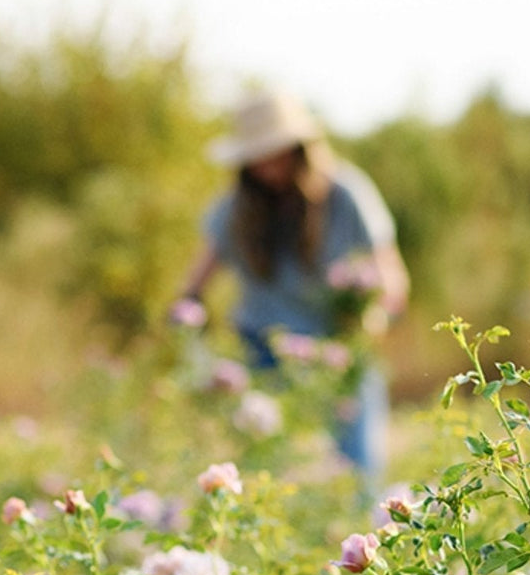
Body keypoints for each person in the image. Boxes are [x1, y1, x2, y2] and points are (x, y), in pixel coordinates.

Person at [173, 89, 409, 488]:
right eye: (258, 154)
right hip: (263, 349)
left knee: (358, 469)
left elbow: (392, 274)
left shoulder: (346, 194)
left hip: (338, 347)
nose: (268, 165)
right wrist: (193, 344)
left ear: (301, 148)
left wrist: (375, 315)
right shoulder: (235, 209)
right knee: (264, 471)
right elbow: (193, 287)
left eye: (276, 150)